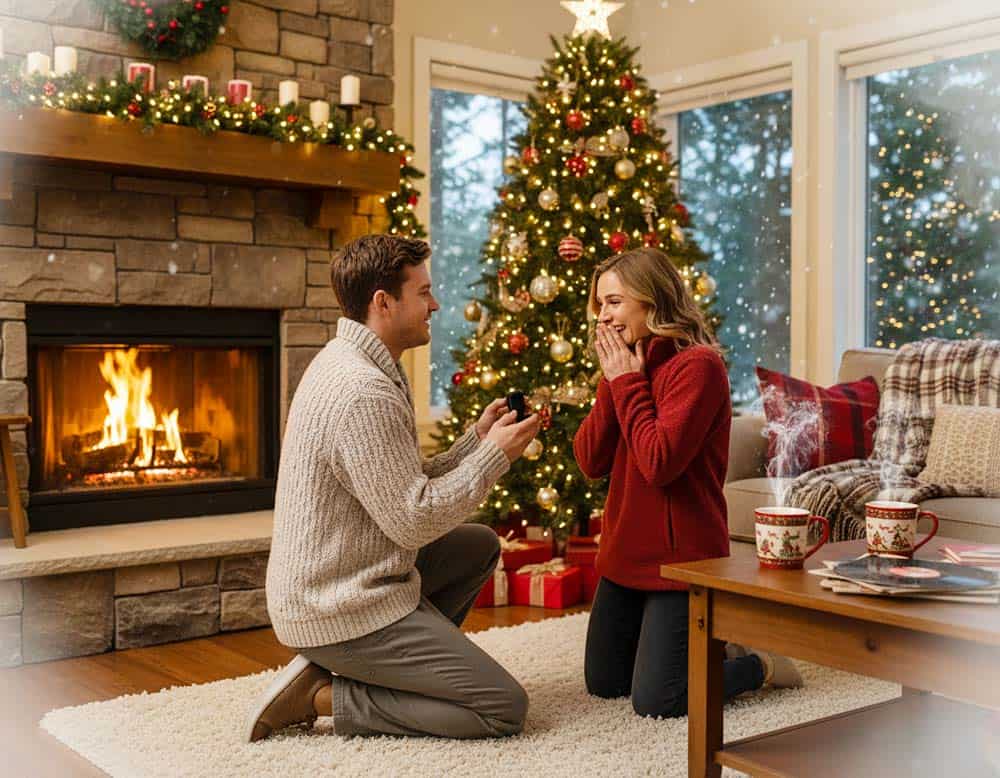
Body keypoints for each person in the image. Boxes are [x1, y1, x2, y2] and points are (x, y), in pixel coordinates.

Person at [247, 234, 541, 741]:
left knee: (478, 544)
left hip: (344, 577)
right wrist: (497, 456)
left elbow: (399, 483)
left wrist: (475, 441)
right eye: (424, 292)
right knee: (502, 708)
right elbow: (412, 520)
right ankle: (325, 696)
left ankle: (382, 667)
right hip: (336, 603)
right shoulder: (364, 391)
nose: (436, 304)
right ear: (383, 302)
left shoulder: (352, 361)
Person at [573, 247, 802, 719]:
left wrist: (625, 385)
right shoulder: (625, 368)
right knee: (604, 684)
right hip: (623, 555)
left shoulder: (698, 367)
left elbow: (660, 462)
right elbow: (590, 460)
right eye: (600, 305)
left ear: (650, 299)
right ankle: (705, 645)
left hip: (683, 562)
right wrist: (612, 382)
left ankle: (760, 664)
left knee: (659, 699)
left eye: (614, 302)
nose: (603, 317)